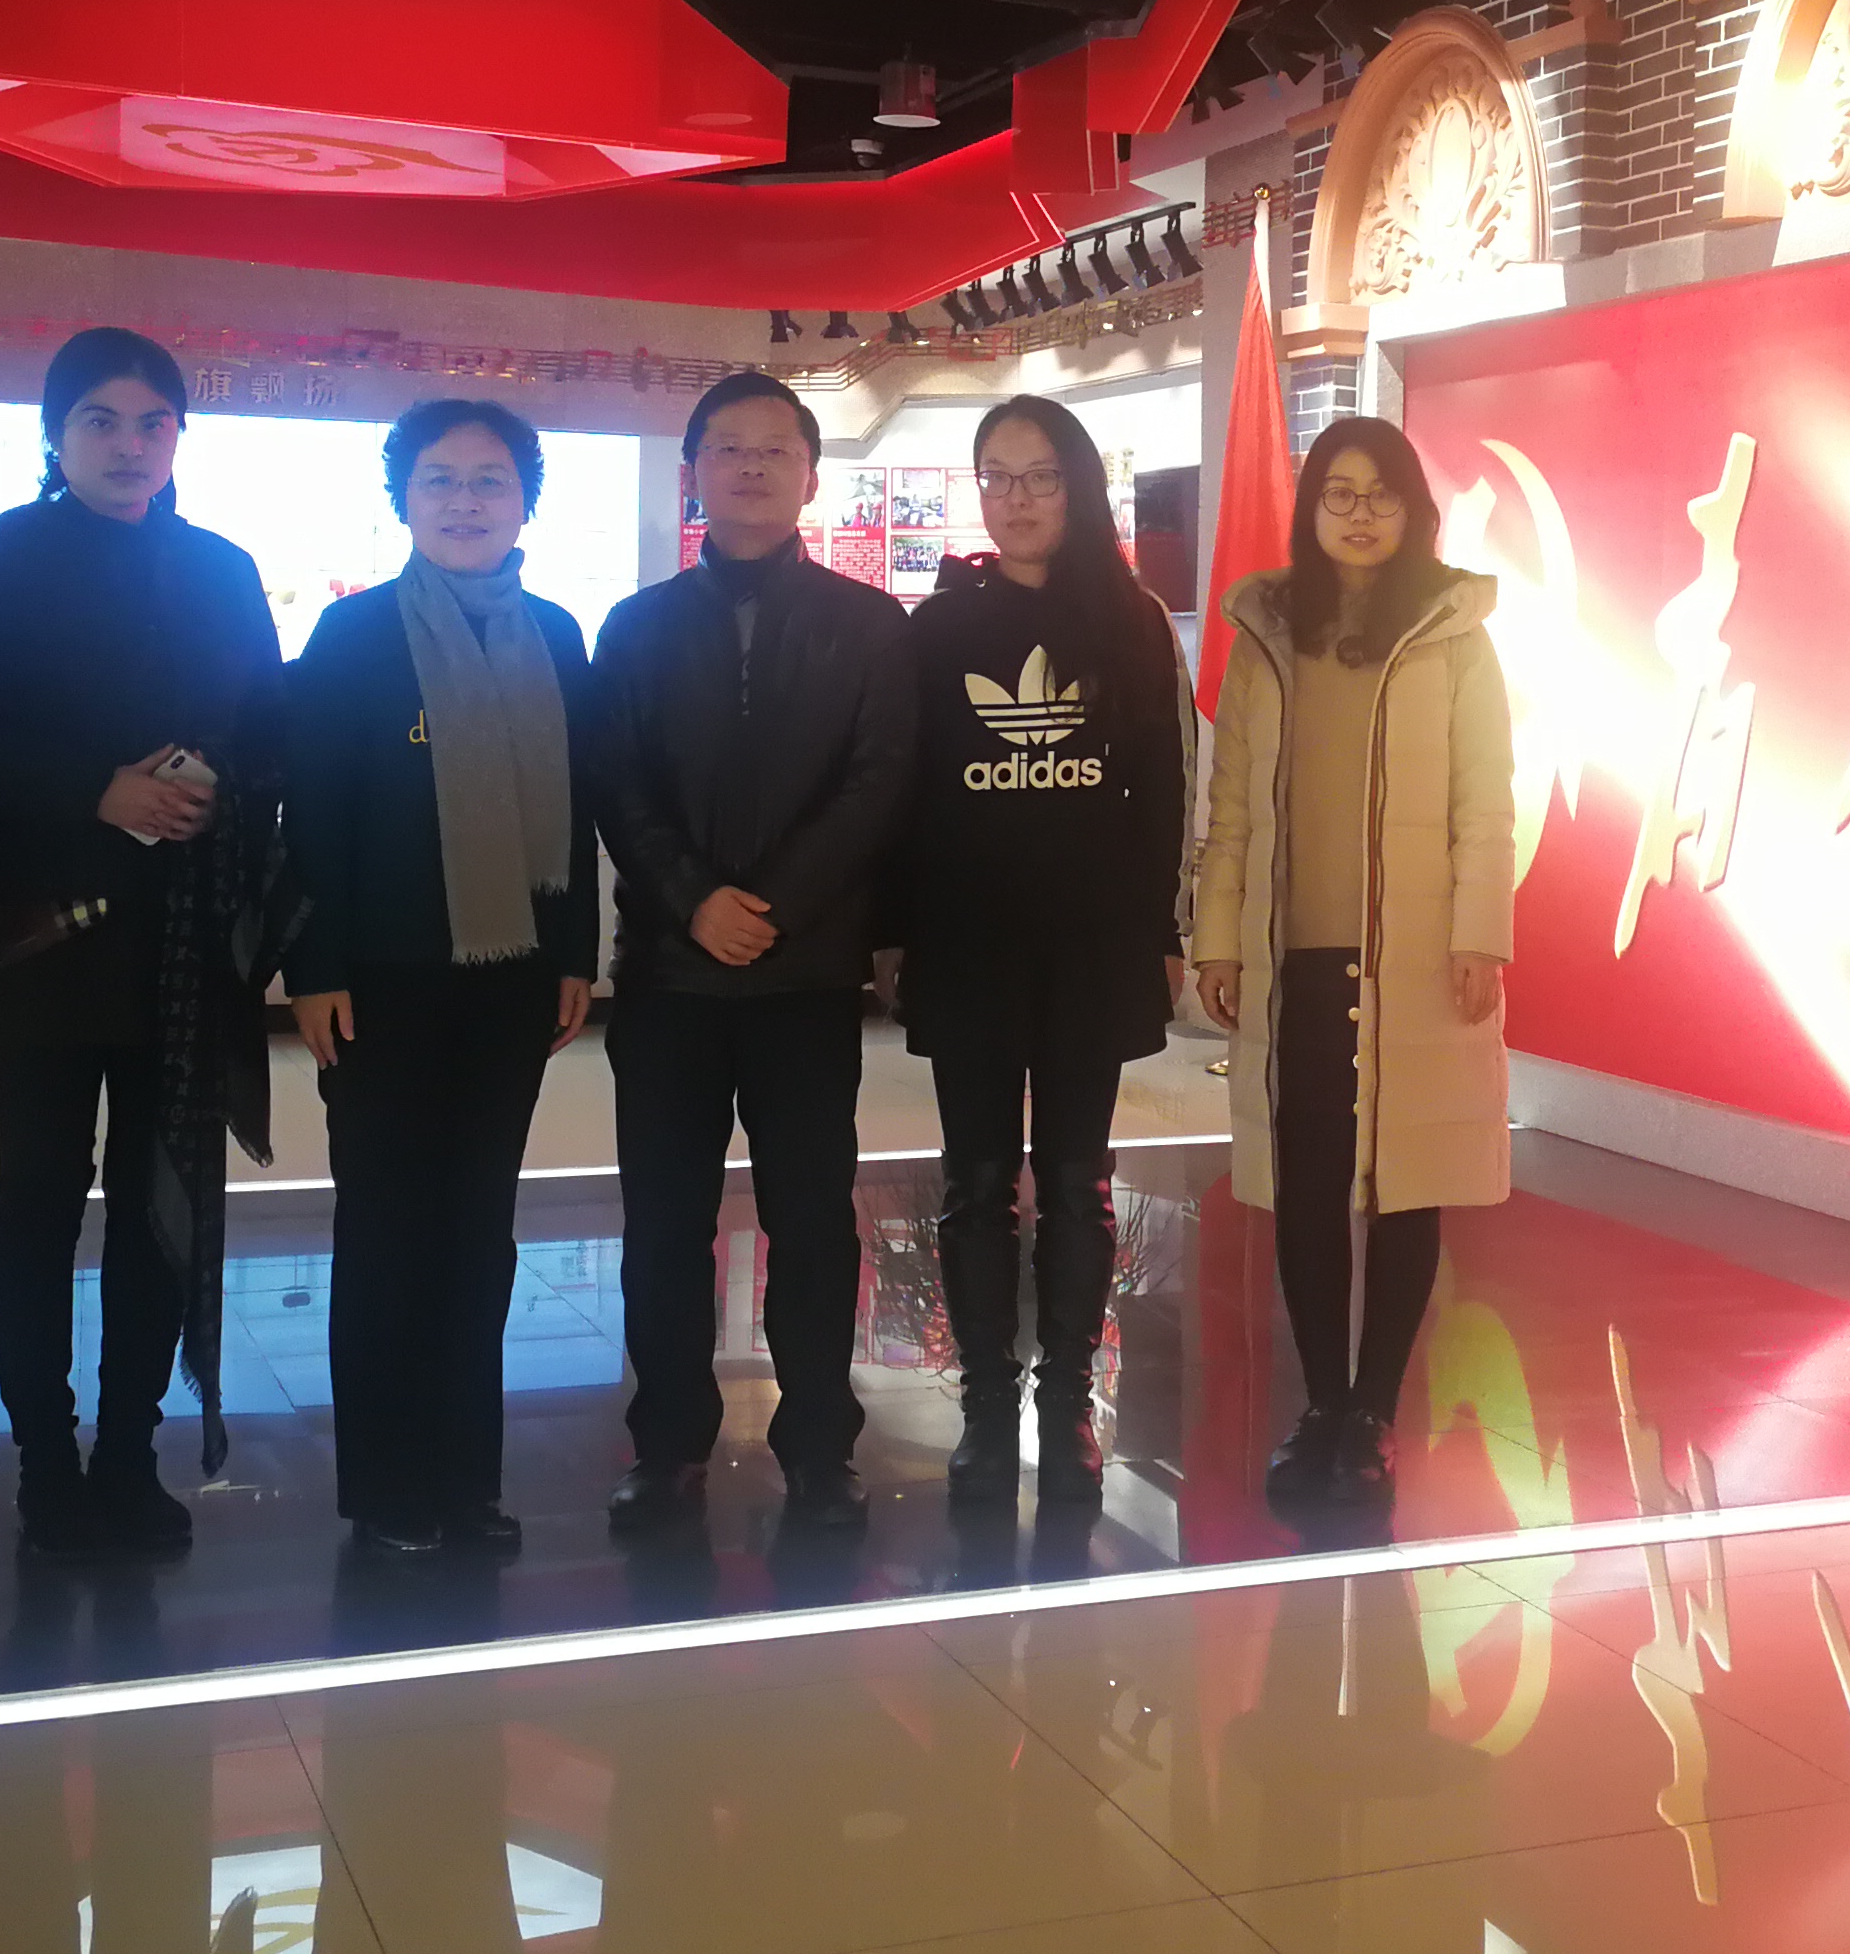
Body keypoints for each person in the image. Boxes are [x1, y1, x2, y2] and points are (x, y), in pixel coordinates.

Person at [0, 329, 282, 1562]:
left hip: (183, 943)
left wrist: (214, 788)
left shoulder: (222, 569)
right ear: (55, 434)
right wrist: (97, 789)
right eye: (101, 421)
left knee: (157, 1199)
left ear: (179, 436)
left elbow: (264, 727)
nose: (129, 446)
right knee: (37, 1193)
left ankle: (129, 1451)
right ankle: (45, 1459)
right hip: (45, 937)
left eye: (152, 423)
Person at [594, 371, 913, 1533]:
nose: (750, 466)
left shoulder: (870, 627)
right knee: (663, 1223)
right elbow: (617, 785)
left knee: (813, 1220)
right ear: (694, 474)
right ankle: (666, 1442)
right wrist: (694, 903)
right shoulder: (635, 627)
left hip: (805, 976)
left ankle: (819, 1444)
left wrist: (768, 905)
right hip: (669, 976)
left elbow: (878, 784)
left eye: (774, 449)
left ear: (810, 477)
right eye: (727, 448)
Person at [281, 399, 600, 1560]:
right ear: (403, 501)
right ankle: (387, 1485)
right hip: (379, 982)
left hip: (511, 982)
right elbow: (311, 811)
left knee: (478, 1232)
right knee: (385, 1229)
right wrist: (312, 966)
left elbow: (577, 808)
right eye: (440, 481)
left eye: (488, 481)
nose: (465, 502)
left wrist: (575, 954)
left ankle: (464, 1478)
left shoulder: (555, 634)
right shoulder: (353, 635)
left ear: (524, 502)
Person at [1194, 416, 1516, 1513]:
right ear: (1311, 508)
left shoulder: (1451, 633)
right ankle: (1322, 1405)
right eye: (1339, 492)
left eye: (1381, 494)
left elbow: (1484, 801)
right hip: (1295, 956)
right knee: (1308, 1188)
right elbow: (1231, 807)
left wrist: (1479, 933)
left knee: (1408, 1183)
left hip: (1415, 958)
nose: (1361, 514)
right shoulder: (1267, 635)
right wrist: (1217, 935)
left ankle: (1373, 1411)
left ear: (1413, 509)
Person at [895, 397, 1191, 1507]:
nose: (1015, 499)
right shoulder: (937, 630)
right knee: (975, 1183)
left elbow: (1161, 794)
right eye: (995, 476)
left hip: (1090, 947)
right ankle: (986, 1401)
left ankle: (1066, 1397)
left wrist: (1160, 930)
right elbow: (907, 795)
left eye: (1039, 477)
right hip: (968, 943)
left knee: (1077, 1180)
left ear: (1078, 487)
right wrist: (896, 934)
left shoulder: (1131, 621)